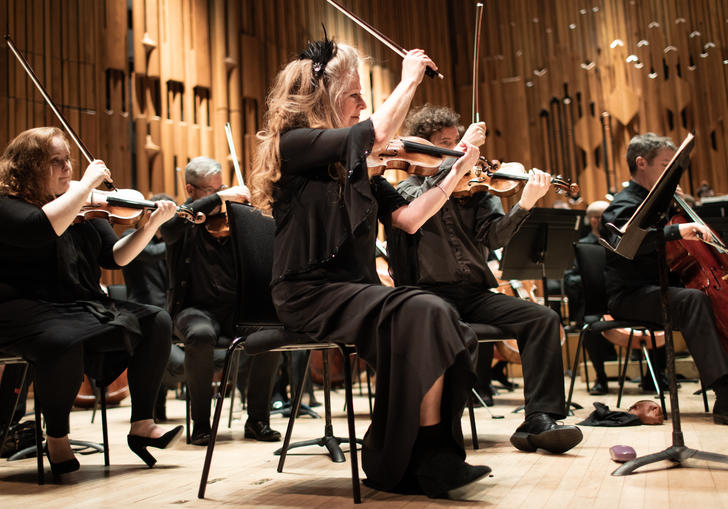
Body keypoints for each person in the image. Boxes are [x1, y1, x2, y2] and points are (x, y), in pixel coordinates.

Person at [250, 36, 489, 498]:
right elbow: (376, 134)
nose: (364, 104)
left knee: (441, 318)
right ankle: (427, 460)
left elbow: (410, 219)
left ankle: (412, 457)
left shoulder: (359, 170)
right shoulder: (296, 145)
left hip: (356, 292)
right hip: (308, 292)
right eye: (356, 95)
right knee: (424, 310)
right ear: (325, 98)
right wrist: (409, 79)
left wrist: (455, 169)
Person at [392, 104, 583, 454]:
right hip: (427, 297)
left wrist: (524, 204)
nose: (458, 150)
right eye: (445, 144)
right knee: (455, 330)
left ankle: (539, 419)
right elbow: (418, 210)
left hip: (474, 294)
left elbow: (494, 238)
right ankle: (439, 429)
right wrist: (460, 154)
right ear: (423, 150)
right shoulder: (406, 191)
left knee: (542, 319)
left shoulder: (476, 191)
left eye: (458, 141)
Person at [0, 127, 182, 475]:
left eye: (68, 159)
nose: (67, 167)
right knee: (64, 339)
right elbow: (40, 228)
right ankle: (57, 436)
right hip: (21, 307)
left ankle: (142, 423)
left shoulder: (83, 205)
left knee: (156, 320)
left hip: (76, 304)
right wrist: (85, 185)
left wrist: (149, 225)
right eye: (55, 161)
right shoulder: (8, 205)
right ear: (28, 166)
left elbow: (115, 258)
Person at [600, 132, 728, 424]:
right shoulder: (624, 202)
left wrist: (674, 211)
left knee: (702, 297)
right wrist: (674, 231)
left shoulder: (661, 202)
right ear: (641, 163)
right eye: (665, 165)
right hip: (630, 296)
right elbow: (622, 245)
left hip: (661, 289)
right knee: (695, 300)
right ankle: (725, 395)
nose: (671, 173)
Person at [161, 156, 281, 445]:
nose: (219, 195)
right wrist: (219, 197)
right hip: (194, 310)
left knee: (271, 331)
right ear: (190, 189)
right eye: (209, 190)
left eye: (222, 187)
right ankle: (201, 424)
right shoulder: (181, 219)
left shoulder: (235, 219)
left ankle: (258, 420)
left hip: (236, 309)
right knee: (200, 336)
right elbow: (170, 228)